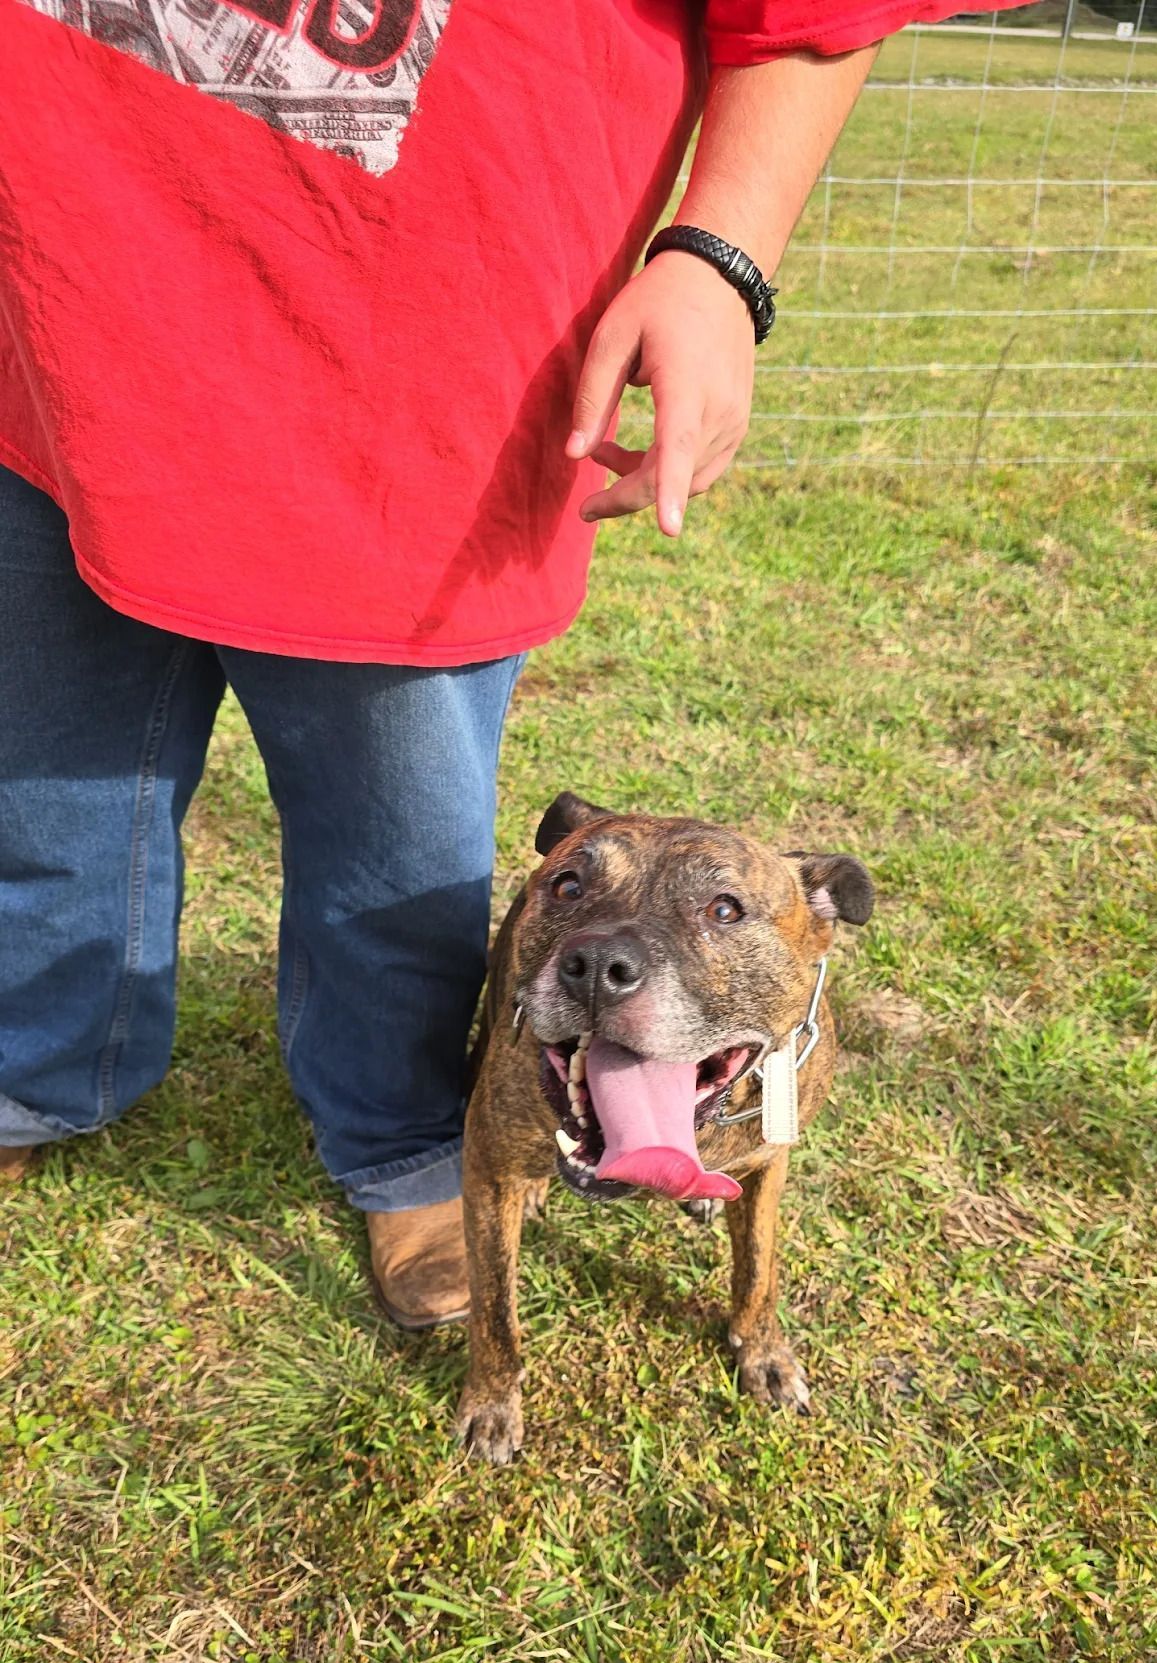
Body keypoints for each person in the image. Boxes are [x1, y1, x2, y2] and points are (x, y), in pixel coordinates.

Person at [0, 0, 1011, 1327]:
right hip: (59, 284)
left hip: (415, 350)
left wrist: (719, 260)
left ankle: (401, 1132)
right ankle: (37, 1061)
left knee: (396, 837)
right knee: (43, 770)